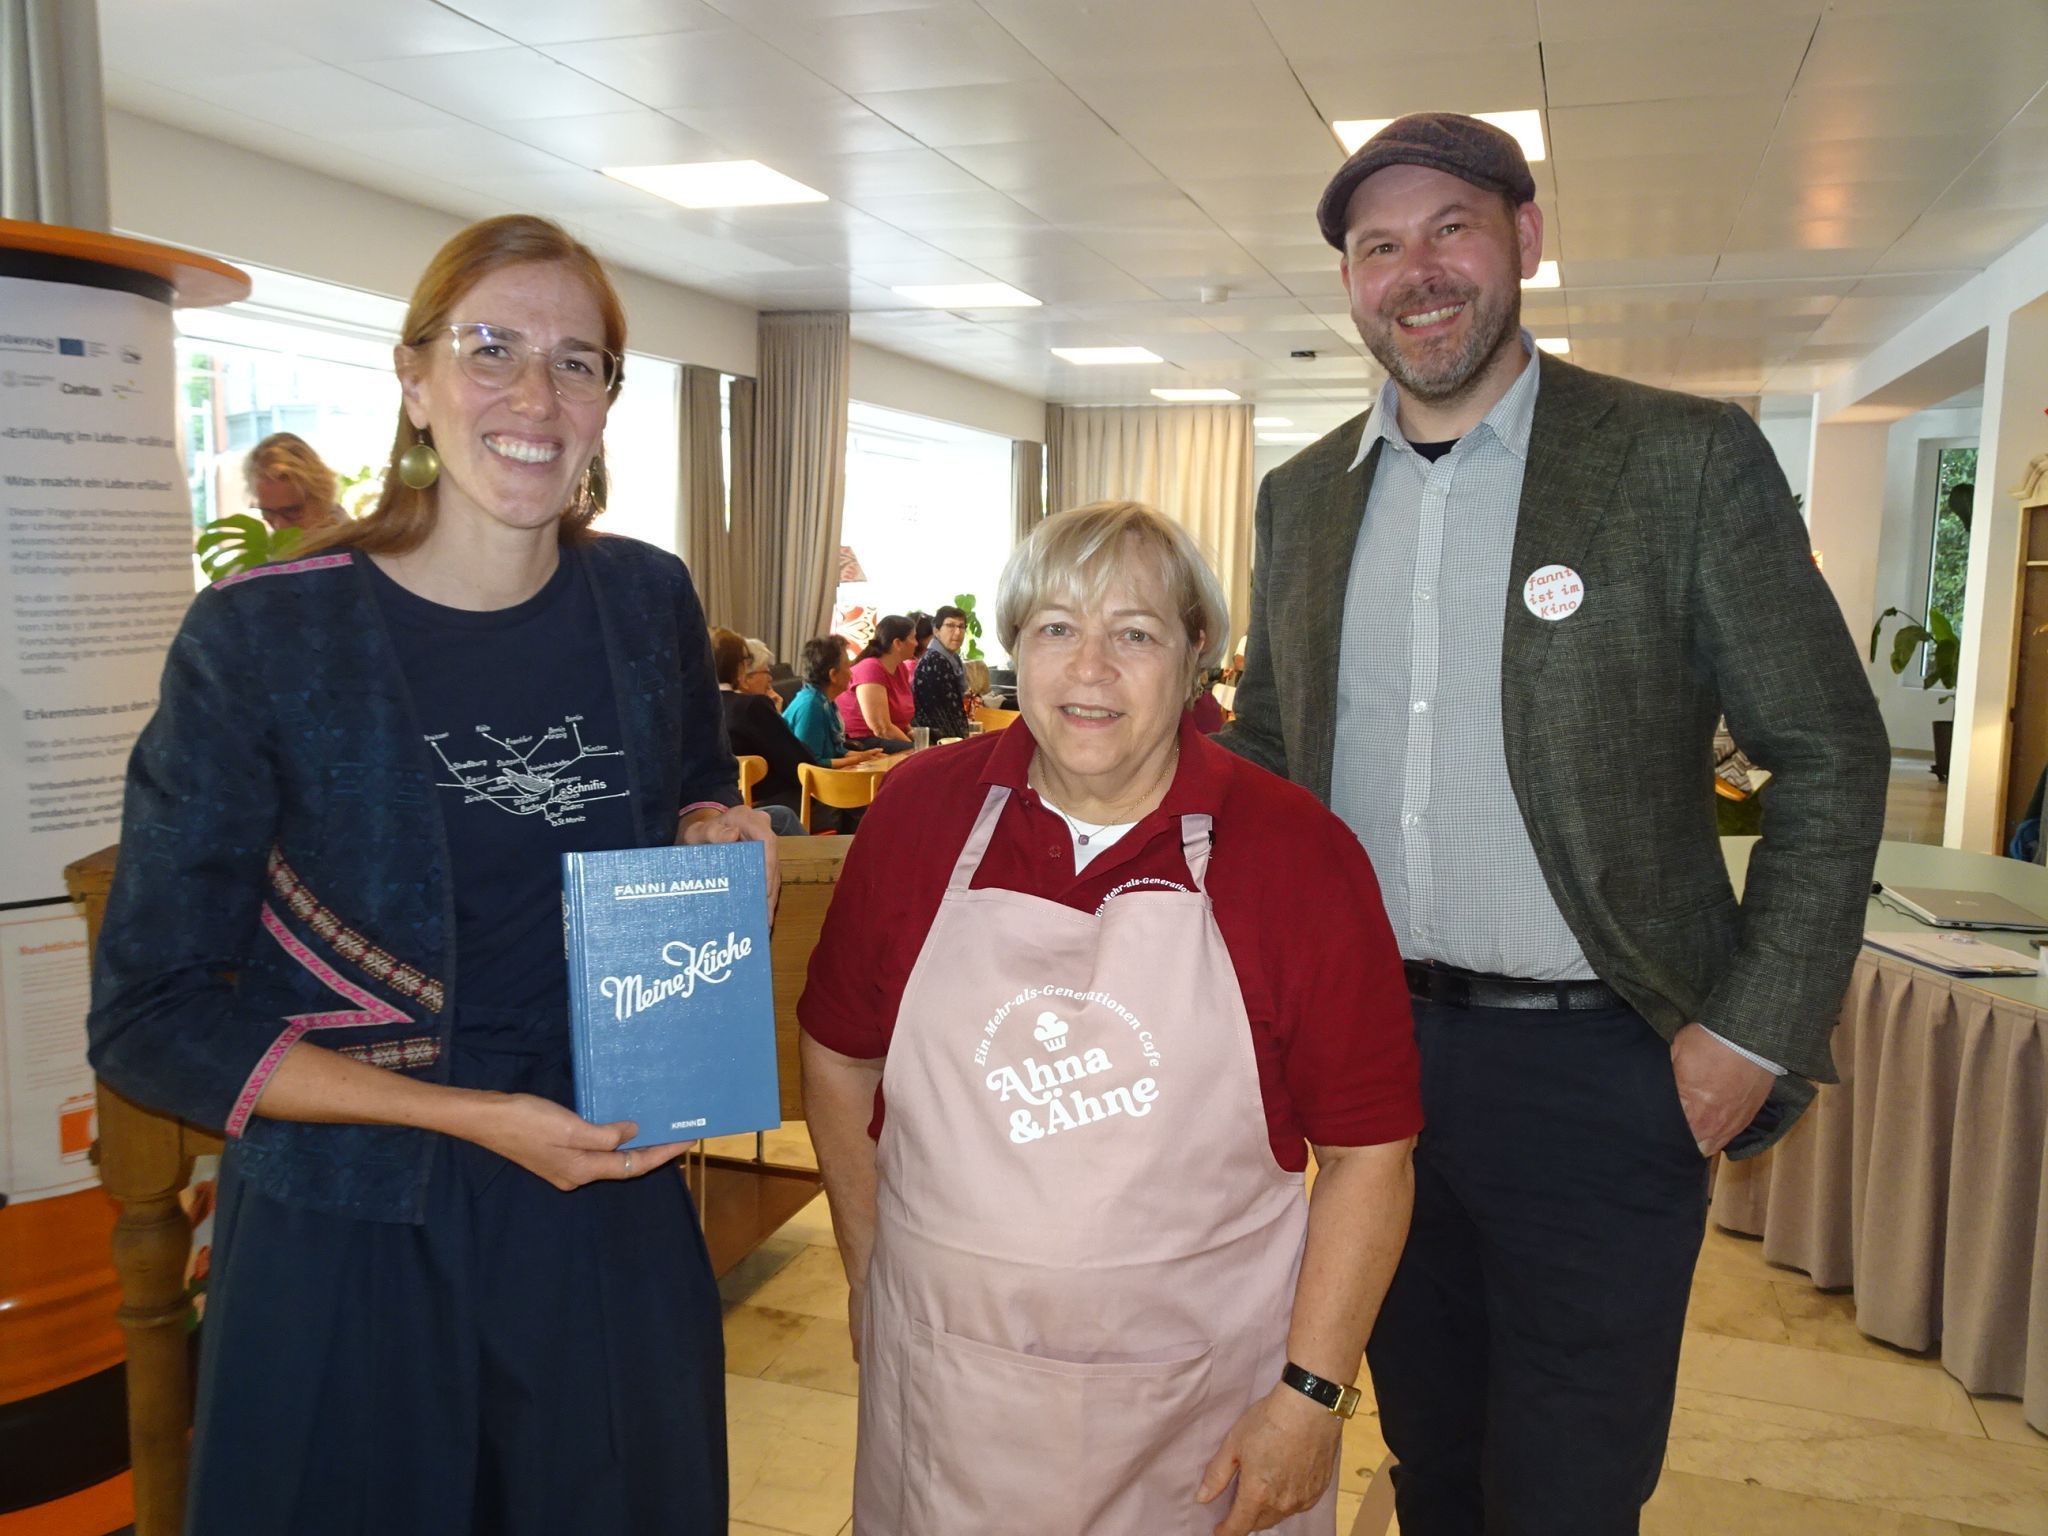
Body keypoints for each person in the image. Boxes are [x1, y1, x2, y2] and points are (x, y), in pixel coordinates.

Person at [1219, 113, 1890, 1535]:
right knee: (1433, 1458)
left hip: (1604, 1072)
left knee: (1568, 1491)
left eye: (1451, 228)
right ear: (1347, 282)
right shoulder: (1300, 501)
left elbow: (1828, 753)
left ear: (1523, 239)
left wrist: (1749, 1030)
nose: (1415, 272)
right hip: (1374, 1071)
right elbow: (1266, 762)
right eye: (1377, 247)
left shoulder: (1678, 459)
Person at [88, 214, 769, 1535]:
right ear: (414, 378)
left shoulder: (646, 601)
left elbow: (690, 781)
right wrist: (470, 1117)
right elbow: (150, 1016)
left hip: (603, 1200)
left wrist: (708, 822)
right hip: (352, 1224)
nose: (535, 396)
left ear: (607, 401)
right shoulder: (265, 637)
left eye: (577, 362)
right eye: (490, 348)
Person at [800, 501, 1421, 1536]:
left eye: (1133, 633)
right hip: (946, 1399)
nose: (1089, 669)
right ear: (1015, 647)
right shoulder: (917, 814)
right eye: (1056, 628)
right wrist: (869, 1275)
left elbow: (1370, 1155)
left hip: (1198, 1423)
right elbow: (838, 1054)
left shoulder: (1297, 855)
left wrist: (1311, 1396)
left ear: (1195, 657)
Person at [714, 626, 863, 835]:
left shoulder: (702, 708)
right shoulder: (752, 706)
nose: (770, 678)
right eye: (766, 671)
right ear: (741, 669)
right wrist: (776, 718)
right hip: (766, 802)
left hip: (717, 809)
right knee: (850, 798)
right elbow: (800, 762)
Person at [837, 613, 917, 751]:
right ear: (898, 643)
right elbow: (881, 728)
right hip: (863, 740)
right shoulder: (870, 668)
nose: (917, 643)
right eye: (913, 638)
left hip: (889, 738)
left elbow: (900, 717)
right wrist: (917, 749)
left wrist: (912, 733)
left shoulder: (900, 668)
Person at [244, 430, 349, 533]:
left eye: (292, 511)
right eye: (268, 513)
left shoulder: (348, 540)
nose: (280, 527)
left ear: (323, 498)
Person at [911, 603, 972, 739]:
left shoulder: (952, 659)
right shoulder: (934, 660)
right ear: (936, 631)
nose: (957, 632)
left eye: (961, 626)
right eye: (950, 625)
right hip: (936, 738)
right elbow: (941, 712)